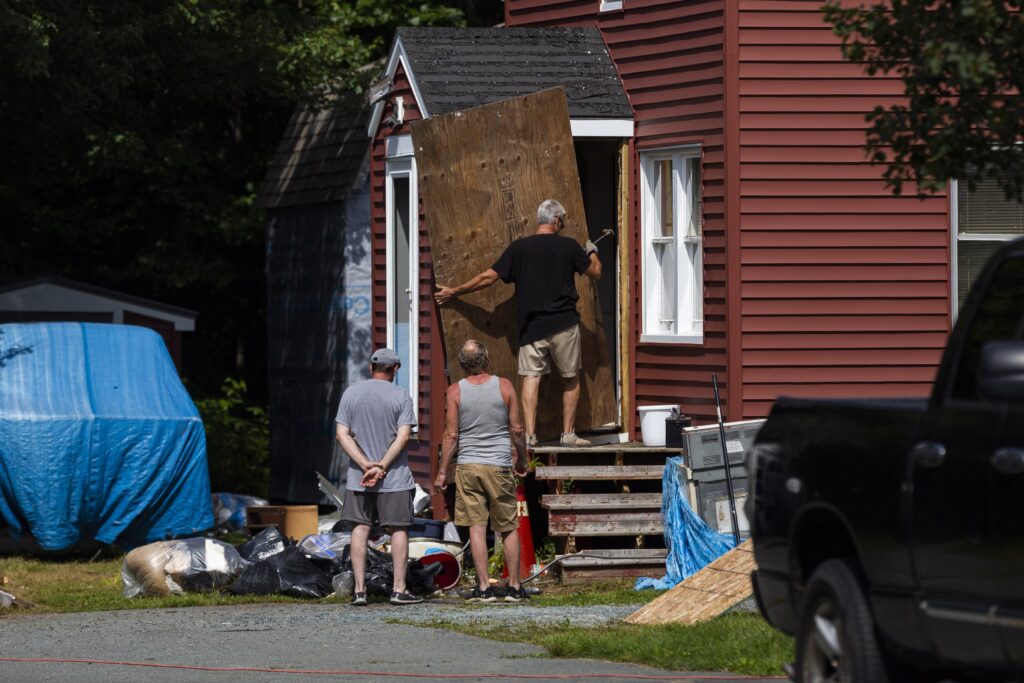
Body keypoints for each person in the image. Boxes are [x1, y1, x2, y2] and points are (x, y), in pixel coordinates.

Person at [434, 199, 601, 448]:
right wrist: (591, 251)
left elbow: (487, 277)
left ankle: (531, 437)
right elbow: (596, 272)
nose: (562, 225)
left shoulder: (519, 248)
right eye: (562, 221)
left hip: (532, 328)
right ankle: (568, 435)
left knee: (531, 379)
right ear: (556, 220)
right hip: (564, 325)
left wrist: (455, 292)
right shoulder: (569, 246)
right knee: (571, 378)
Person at [434, 339, 530, 602]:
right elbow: (517, 430)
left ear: (462, 363)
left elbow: (451, 435)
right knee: (508, 526)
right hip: (498, 464)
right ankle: (514, 587)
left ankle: (485, 587)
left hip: (469, 466)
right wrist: (523, 458)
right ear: (486, 357)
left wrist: (443, 472)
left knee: (477, 527)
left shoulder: (455, 391)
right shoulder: (504, 386)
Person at [334, 347, 422, 605]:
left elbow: (342, 434)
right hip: (393, 477)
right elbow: (404, 436)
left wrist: (364, 465)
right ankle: (398, 589)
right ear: (395, 369)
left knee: (360, 529)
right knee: (398, 530)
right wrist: (381, 466)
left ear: (371, 368)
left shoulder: (351, 393)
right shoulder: (401, 396)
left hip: (358, 478)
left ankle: (360, 591)